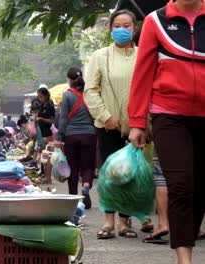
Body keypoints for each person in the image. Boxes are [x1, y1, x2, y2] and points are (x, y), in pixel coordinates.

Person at [128, 0, 205, 262]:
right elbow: (143, 72)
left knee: (199, 188)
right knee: (180, 184)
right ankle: (184, 257)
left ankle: (185, 242)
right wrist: (137, 121)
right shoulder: (155, 21)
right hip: (169, 115)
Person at [84, 9, 152, 239]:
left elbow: (150, 90)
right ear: (110, 29)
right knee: (110, 172)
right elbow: (90, 91)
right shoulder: (99, 56)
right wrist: (105, 117)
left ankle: (125, 222)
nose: (122, 30)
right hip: (107, 126)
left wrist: (142, 122)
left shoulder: (145, 55)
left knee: (131, 174)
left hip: (137, 126)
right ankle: (108, 221)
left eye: (127, 26)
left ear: (135, 29)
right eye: (117, 26)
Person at [55, 67, 96, 209]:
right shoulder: (90, 94)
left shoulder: (67, 95)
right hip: (89, 134)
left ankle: (73, 198)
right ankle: (85, 185)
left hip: (71, 136)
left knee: (72, 167)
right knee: (88, 165)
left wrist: (59, 138)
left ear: (70, 80)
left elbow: (63, 119)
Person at [36, 86, 56, 185]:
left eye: (41, 97)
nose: (39, 99)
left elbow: (52, 120)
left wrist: (41, 119)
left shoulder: (50, 106)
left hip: (48, 134)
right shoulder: (42, 106)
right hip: (42, 134)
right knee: (44, 157)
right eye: (38, 97)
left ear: (46, 96)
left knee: (47, 157)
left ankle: (49, 178)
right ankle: (46, 177)